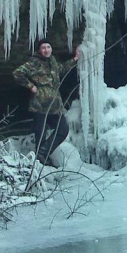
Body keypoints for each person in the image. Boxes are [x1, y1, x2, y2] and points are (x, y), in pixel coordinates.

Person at [12, 39, 80, 167]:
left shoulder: (53, 62)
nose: (46, 50)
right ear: (39, 50)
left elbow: (62, 68)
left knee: (63, 130)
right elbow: (17, 73)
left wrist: (75, 59)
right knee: (41, 133)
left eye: (48, 47)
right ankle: (40, 161)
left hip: (55, 104)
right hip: (40, 104)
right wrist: (31, 86)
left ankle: (43, 152)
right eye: (43, 48)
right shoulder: (34, 63)